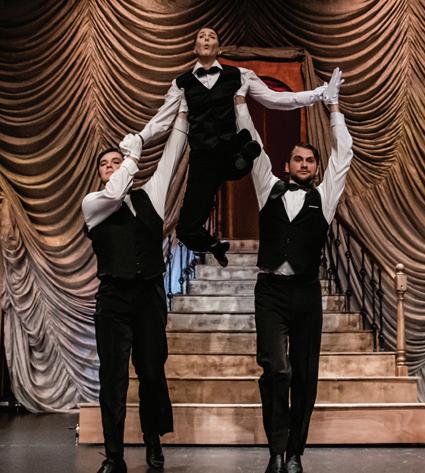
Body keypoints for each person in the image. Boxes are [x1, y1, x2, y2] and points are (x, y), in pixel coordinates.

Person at [120, 27, 329, 267]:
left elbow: (275, 99)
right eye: (201, 36)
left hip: (229, 148)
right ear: (195, 48)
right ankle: (215, 245)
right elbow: (162, 120)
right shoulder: (181, 83)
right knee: (186, 229)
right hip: (202, 159)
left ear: (218, 49)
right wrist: (140, 139)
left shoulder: (240, 75)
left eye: (211, 37)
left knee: (238, 157)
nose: (206, 39)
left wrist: (317, 94)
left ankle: (245, 153)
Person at [235, 68, 352, 473]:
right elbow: (252, 143)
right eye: (298, 159)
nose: (304, 164)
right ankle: (276, 449)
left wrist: (334, 109)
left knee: (304, 373)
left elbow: (344, 154)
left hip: (305, 292)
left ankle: (295, 453)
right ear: (286, 165)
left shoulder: (325, 196)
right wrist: (240, 103)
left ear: (316, 168)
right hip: (270, 290)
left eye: (309, 160)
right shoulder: (268, 187)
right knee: (276, 368)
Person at [82, 114, 188, 473]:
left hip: (148, 296)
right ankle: (114, 456)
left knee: (152, 373)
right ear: (100, 174)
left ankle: (153, 441)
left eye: (117, 161)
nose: (112, 167)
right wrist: (132, 155)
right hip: (114, 297)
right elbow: (116, 191)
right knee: (113, 378)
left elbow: (172, 154)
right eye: (105, 164)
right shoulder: (94, 202)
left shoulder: (149, 196)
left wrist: (182, 113)